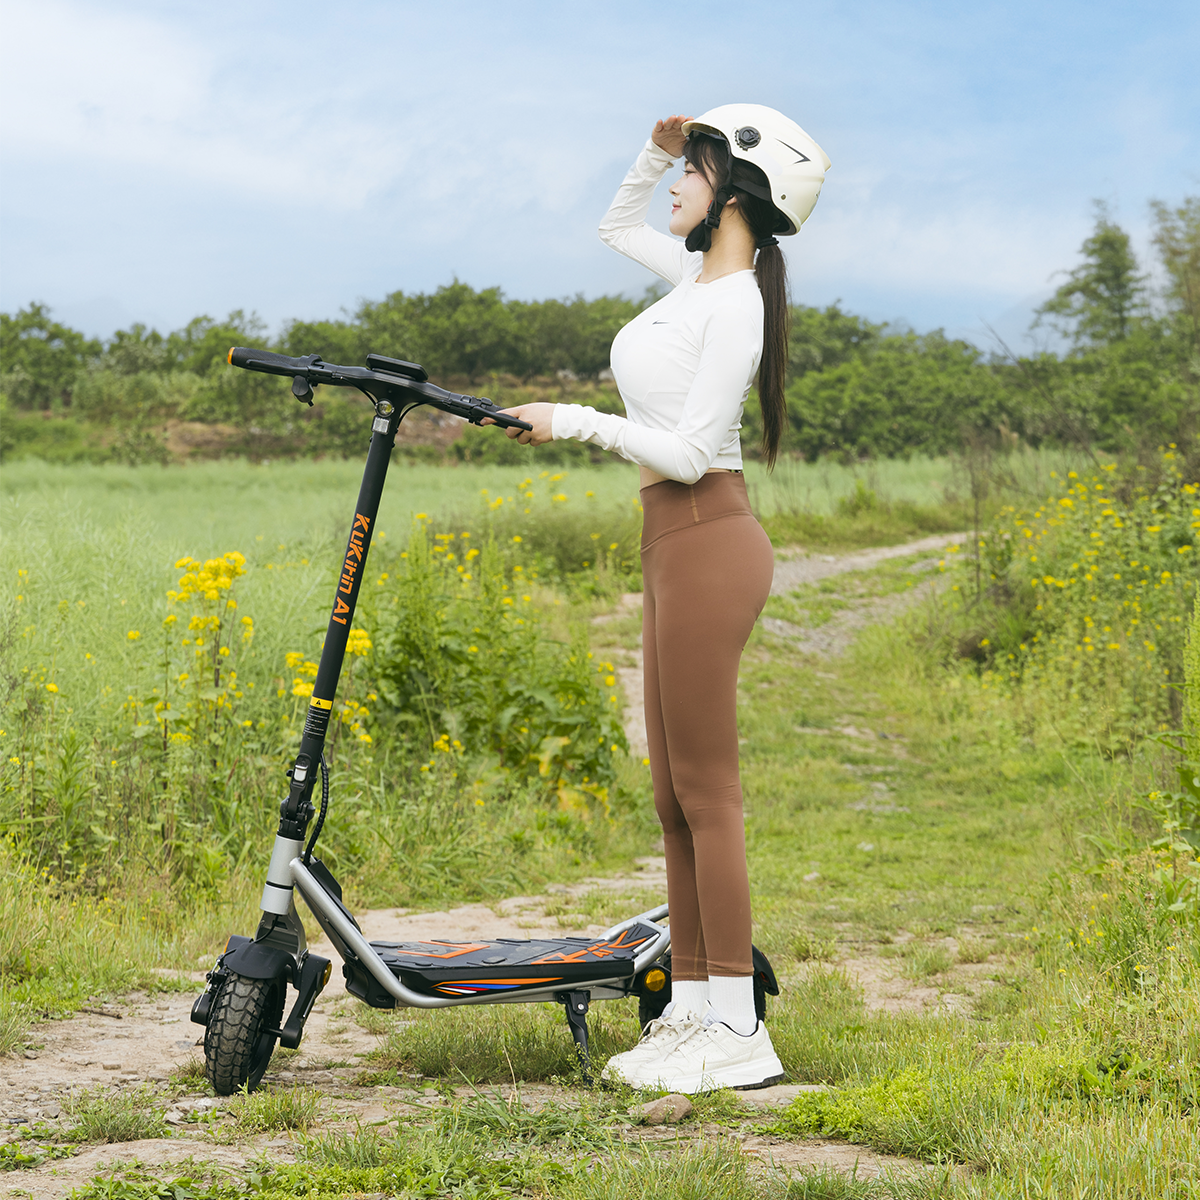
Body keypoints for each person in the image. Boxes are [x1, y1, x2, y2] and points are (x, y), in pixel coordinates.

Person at [493, 104, 831, 1092]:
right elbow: (613, 225)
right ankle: (690, 1009)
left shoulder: (738, 307)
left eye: (694, 169)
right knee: (672, 802)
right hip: (670, 541)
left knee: (709, 798)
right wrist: (651, 145)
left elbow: (687, 450)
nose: (677, 184)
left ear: (737, 192)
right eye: (680, 168)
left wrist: (573, 420)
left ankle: (739, 1028)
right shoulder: (696, 281)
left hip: (711, 539)